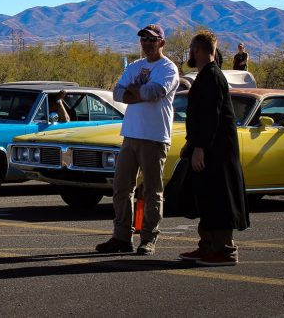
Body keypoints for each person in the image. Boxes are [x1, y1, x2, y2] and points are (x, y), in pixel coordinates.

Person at [96, 24, 179, 256]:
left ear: (162, 43)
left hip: (154, 136)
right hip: (130, 134)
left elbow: (156, 92)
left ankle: (149, 238)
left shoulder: (168, 68)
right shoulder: (135, 66)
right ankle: (122, 236)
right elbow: (117, 93)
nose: (147, 44)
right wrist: (138, 91)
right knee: (122, 188)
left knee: (152, 190)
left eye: (152, 40)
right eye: (144, 40)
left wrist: (134, 91)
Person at [178, 30, 249, 267]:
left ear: (197, 50)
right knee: (206, 197)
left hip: (217, 153)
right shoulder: (206, 75)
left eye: (191, 48)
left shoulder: (212, 77)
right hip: (208, 149)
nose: (190, 52)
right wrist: (192, 144)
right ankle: (207, 246)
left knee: (220, 199)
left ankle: (224, 251)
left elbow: (211, 117)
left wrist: (200, 147)